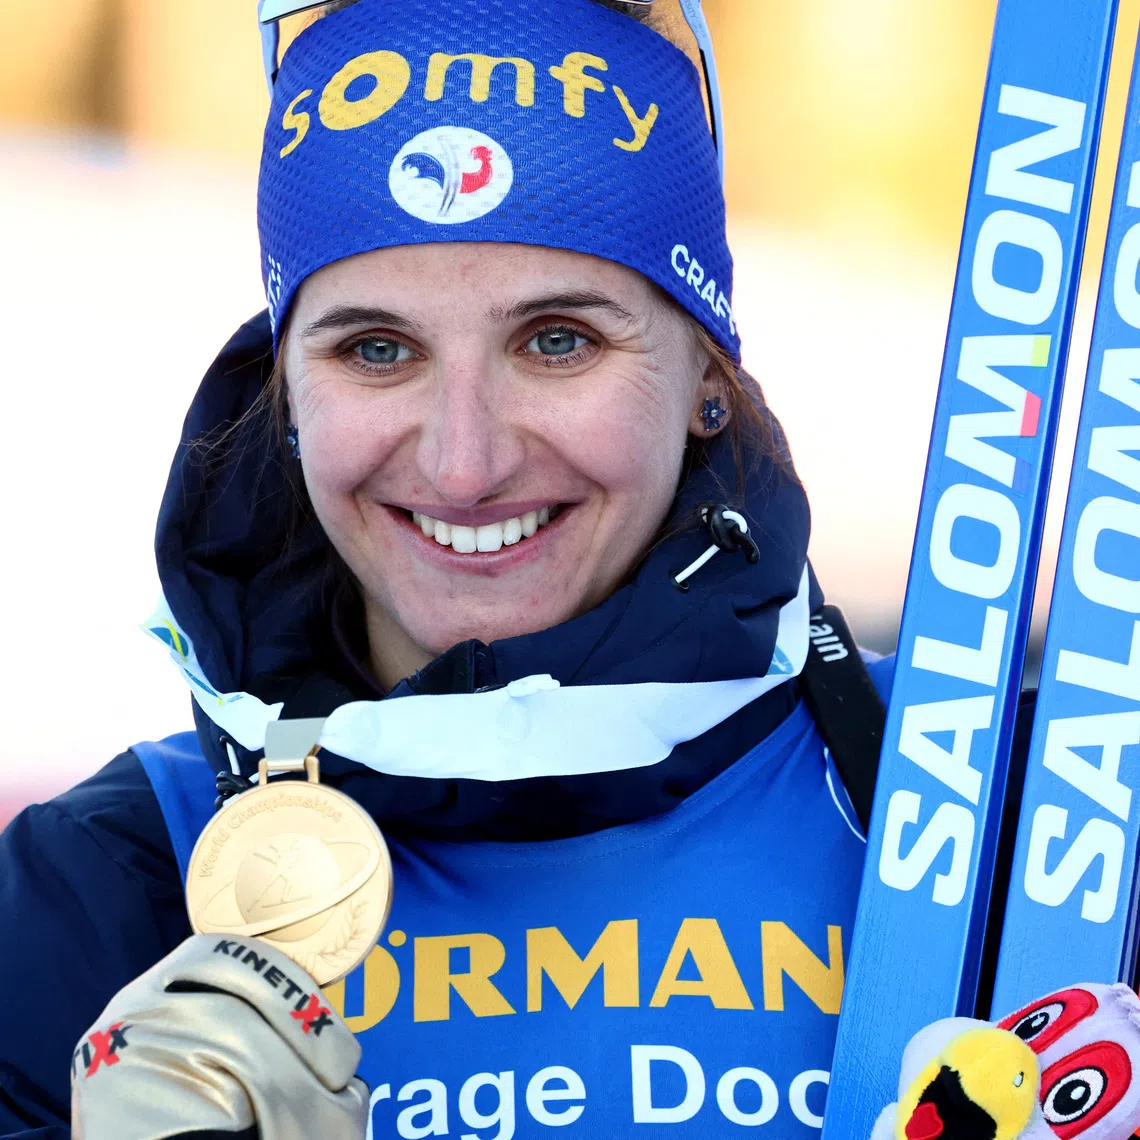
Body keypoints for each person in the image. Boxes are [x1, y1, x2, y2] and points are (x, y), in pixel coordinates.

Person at [0, 0, 888, 1135]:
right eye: (377, 350)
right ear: (286, 397)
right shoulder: (104, 888)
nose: (463, 463)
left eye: (558, 340)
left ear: (710, 373)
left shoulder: (1005, 812)